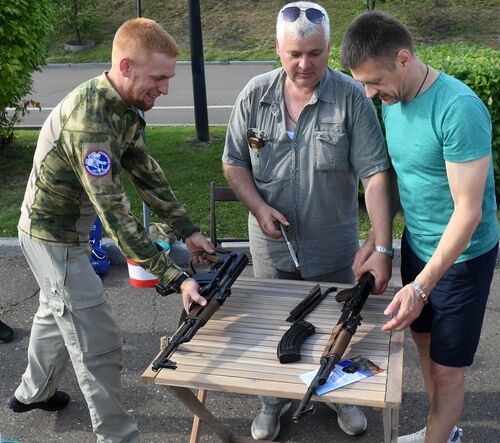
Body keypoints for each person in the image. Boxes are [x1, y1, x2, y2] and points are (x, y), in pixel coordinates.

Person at [9, 18, 214, 442]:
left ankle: (33, 393)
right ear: (126, 66)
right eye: (158, 78)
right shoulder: (92, 125)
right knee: (97, 344)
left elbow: (146, 173)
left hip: (67, 232)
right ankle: (118, 437)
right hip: (53, 239)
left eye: (168, 77)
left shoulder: (123, 105)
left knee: (56, 311)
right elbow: (117, 215)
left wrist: (188, 230)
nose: (165, 88)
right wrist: (175, 276)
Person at [216, 1, 393, 440]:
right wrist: (258, 208)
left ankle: (338, 394)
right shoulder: (254, 95)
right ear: (277, 48)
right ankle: (271, 403)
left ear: (328, 49)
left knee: (341, 325)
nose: (304, 63)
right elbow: (234, 162)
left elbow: (374, 173)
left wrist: (383, 244)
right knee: (274, 328)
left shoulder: (351, 97)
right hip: (271, 248)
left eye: (314, 53)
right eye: (294, 53)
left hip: (334, 247)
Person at [341, 11, 500, 443]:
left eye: (374, 81)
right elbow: (398, 177)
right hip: (418, 246)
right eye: (363, 83)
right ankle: (440, 433)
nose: (370, 93)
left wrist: (421, 286)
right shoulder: (393, 104)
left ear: (404, 59)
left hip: (463, 259)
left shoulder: (458, 109)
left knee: (448, 371)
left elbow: (468, 213)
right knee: (424, 346)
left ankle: (440, 436)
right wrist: (378, 241)